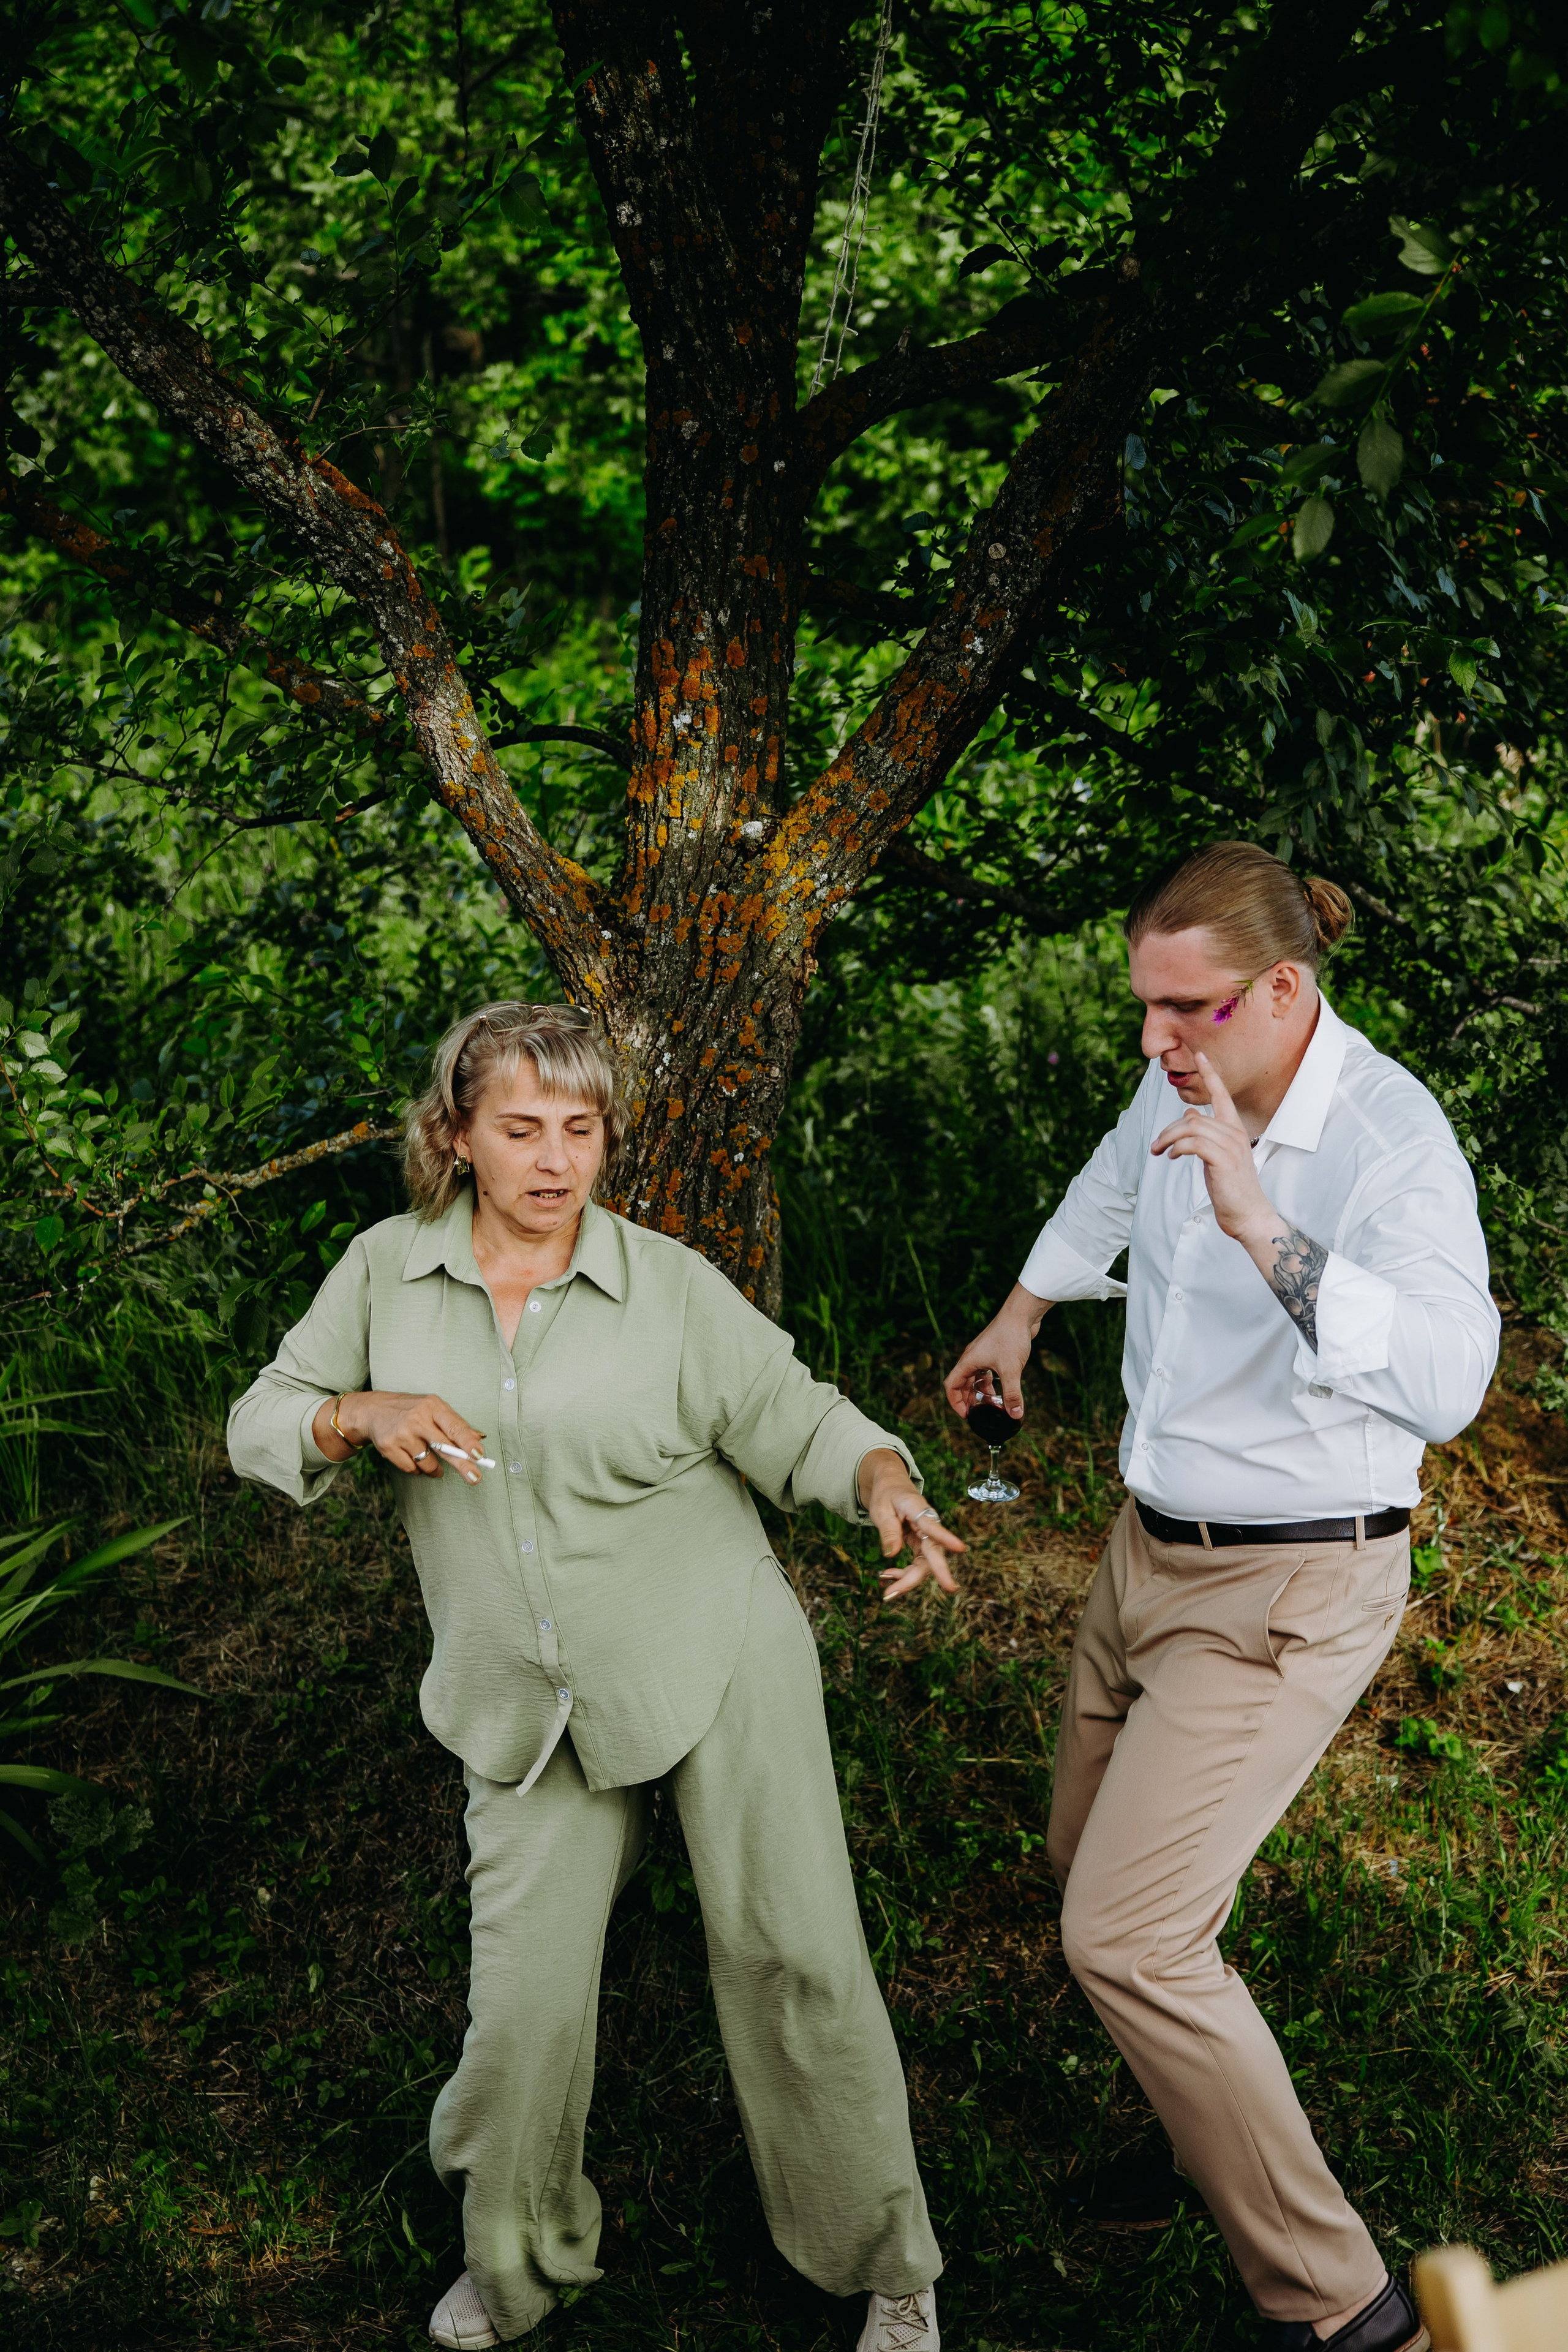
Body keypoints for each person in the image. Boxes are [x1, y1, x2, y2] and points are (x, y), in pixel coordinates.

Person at [229, 1001, 963, 2352]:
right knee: (518, 2007)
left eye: (581, 1128)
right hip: (522, 1702)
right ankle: (517, 2265)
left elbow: (795, 1414)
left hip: (712, 1644)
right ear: (455, 1135)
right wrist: (351, 1413)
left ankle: (885, 2262)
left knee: (796, 1952)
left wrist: (880, 1480)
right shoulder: (387, 1273)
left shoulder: (668, 1283)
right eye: (520, 1128)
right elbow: (261, 1418)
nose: (555, 1158)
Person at [946, 843, 1498, 2352]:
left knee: (1127, 1936)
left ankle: (1342, 2307)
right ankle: (1205, 2134)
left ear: (1280, 989)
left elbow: (1449, 1383)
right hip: (1144, 1554)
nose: (1152, 1043)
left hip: (1288, 1582)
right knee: (1086, 1870)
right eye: (1142, 1010)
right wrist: (1018, 1317)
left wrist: (1262, 1220)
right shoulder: (1179, 1081)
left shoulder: (1388, 1141)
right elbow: (1110, 1184)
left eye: (1180, 1011)